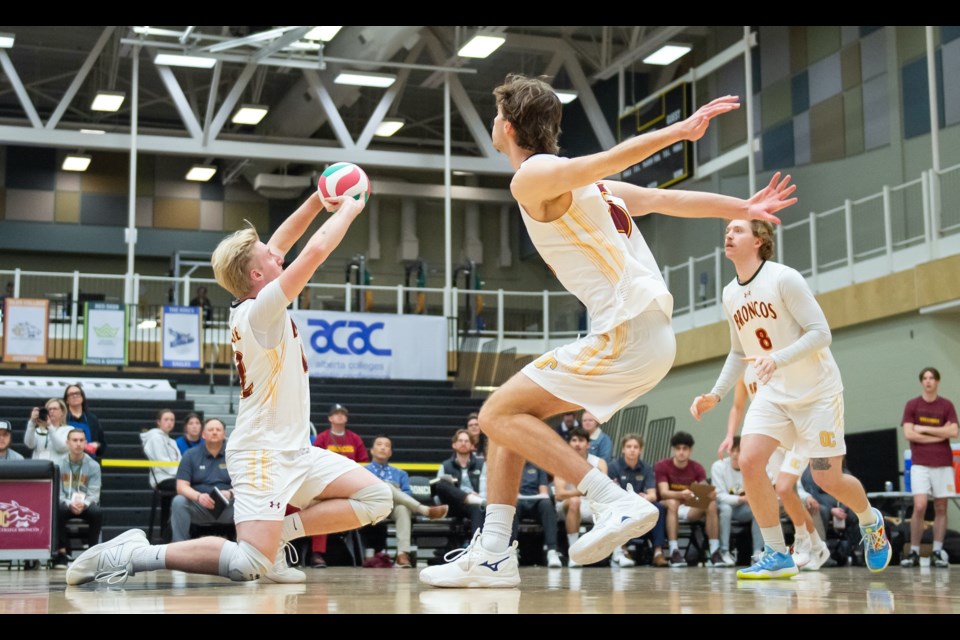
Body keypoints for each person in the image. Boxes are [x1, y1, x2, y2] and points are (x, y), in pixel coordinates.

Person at [419, 74, 795, 589]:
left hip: (629, 330)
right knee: (511, 415)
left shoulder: (533, 175)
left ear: (507, 125)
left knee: (493, 414)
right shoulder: (595, 191)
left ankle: (609, 498)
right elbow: (667, 201)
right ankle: (492, 553)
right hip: (646, 333)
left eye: (494, 116)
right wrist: (744, 210)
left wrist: (676, 132)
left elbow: (608, 159)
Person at [66, 190, 393, 588]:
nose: (277, 254)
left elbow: (284, 244)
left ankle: (278, 538)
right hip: (262, 453)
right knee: (246, 563)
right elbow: (314, 252)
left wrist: (316, 200)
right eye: (268, 256)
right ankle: (133, 554)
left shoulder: (255, 294)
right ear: (257, 276)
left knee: (377, 498)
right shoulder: (262, 311)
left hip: (294, 449)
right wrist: (351, 208)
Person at [690, 218, 892, 579]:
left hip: (817, 392)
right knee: (750, 461)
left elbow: (821, 333)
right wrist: (716, 394)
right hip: (774, 394)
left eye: (737, 230)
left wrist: (777, 358)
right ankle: (778, 552)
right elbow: (738, 352)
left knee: (828, 479)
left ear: (759, 240)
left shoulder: (784, 278)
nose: (728, 235)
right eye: (727, 231)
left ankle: (870, 520)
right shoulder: (729, 293)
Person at [725, 373, 831, 570]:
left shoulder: (775, 358)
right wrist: (730, 435)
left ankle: (803, 542)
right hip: (769, 437)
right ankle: (817, 546)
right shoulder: (743, 370)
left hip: (792, 433)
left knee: (785, 489)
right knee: (787, 493)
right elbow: (737, 406)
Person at [900, 366, 958, 568]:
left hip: (942, 463)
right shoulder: (912, 405)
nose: (928, 381)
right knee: (920, 505)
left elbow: (953, 431)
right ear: (921, 382)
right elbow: (909, 434)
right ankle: (914, 551)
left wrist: (922, 429)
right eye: (925, 378)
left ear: (937, 381)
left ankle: (937, 550)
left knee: (941, 507)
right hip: (920, 464)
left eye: (932, 378)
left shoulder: (947, 406)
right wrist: (939, 434)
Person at [362, 434, 449, 568]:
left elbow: (408, 493)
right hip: (373, 505)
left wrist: (395, 493)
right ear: (372, 450)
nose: (383, 448)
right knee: (386, 486)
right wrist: (387, 487)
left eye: (387, 446)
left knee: (403, 508)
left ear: (390, 452)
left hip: (393, 506)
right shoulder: (363, 471)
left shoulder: (400, 473)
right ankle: (424, 510)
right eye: (379, 445)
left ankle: (402, 554)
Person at [309, 403, 369, 567]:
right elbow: (313, 462)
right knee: (320, 509)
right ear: (330, 418)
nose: (340, 416)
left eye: (343, 414)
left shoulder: (355, 438)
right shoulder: (322, 438)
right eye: (336, 414)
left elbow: (363, 463)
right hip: (326, 484)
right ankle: (317, 554)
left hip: (351, 484)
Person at [654, 431, 724, 567]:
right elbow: (663, 493)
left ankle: (714, 551)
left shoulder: (697, 468)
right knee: (673, 502)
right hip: (669, 506)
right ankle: (674, 551)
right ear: (673, 450)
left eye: (685, 449)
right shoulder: (662, 466)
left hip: (689, 507)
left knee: (711, 503)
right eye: (678, 448)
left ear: (690, 450)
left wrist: (709, 493)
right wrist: (681, 494)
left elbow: (703, 488)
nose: (681, 452)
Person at [607, 433, 668, 567]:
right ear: (623, 449)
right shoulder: (613, 467)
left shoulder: (646, 468)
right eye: (629, 446)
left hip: (640, 505)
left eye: (636, 447)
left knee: (658, 507)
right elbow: (612, 494)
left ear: (640, 450)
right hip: (621, 505)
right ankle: (622, 549)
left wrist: (645, 497)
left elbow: (653, 494)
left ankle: (658, 552)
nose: (632, 449)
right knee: (617, 508)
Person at [170, 418, 235, 542]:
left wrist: (230, 493)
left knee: (247, 501)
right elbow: (181, 486)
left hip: (228, 507)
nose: (214, 432)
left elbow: (245, 485)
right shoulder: (190, 455)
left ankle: (245, 550)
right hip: (200, 507)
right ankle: (179, 549)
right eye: (210, 430)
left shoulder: (234, 456)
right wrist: (199, 497)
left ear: (224, 434)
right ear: (203, 435)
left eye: (218, 429)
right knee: (179, 501)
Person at [553, 426, 608, 568]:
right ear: (569, 444)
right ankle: (574, 554)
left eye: (581, 440)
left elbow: (604, 490)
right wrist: (581, 492)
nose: (577, 444)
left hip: (592, 504)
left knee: (614, 505)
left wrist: (585, 492)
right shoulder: (561, 463)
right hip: (567, 505)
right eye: (574, 440)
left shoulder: (599, 463)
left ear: (588, 444)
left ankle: (618, 552)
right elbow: (559, 494)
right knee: (575, 501)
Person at [53, 429, 102, 569]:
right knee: (58, 510)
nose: (78, 444)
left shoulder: (93, 465)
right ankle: (61, 553)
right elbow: (57, 493)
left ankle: (92, 553)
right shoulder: (58, 465)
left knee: (96, 512)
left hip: (85, 503)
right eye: (75, 440)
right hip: (66, 502)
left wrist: (84, 503)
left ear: (86, 443)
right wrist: (70, 503)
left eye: (81, 440)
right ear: (67, 443)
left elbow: (94, 492)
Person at [710, 435, 762, 567]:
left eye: (739, 451)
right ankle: (724, 551)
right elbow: (720, 495)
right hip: (724, 507)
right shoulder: (719, 466)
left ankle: (757, 553)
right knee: (726, 509)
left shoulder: (752, 467)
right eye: (733, 450)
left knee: (759, 510)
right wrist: (742, 498)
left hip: (743, 509)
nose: (735, 454)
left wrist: (750, 499)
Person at [431, 429, 486, 542]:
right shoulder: (445, 465)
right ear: (454, 445)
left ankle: (477, 546)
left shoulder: (481, 465)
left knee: (478, 508)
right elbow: (438, 494)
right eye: (460, 440)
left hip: (473, 505)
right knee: (441, 483)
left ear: (472, 446)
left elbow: (485, 490)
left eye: (466, 441)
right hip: (451, 505)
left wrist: (480, 496)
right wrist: (465, 494)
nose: (463, 443)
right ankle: (469, 498)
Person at [141, 408, 182, 542]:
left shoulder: (172, 441)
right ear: (158, 422)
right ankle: (171, 535)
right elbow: (163, 463)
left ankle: (166, 536)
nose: (169, 422)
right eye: (166, 420)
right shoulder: (154, 438)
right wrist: (183, 476)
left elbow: (180, 461)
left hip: (174, 477)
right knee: (188, 487)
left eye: (172, 420)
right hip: (162, 479)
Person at [514, 461, 562, 567]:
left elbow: (543, 491)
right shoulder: (511, 465)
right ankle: (511, 551)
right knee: (512, 505)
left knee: (547, 503)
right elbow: (511, 490)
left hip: (535, 501)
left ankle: (552, 551)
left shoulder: (538, 466)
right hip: (518, 501)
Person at [63, 384, 106, 461]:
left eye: (77, 393)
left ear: (82, 397)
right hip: (66, 462)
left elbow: (102, 444)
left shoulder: (92, 419)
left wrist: (97, 445)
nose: (74, 396)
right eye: (71, 394)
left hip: (89, 463)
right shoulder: (62, 418)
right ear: (66, 400)